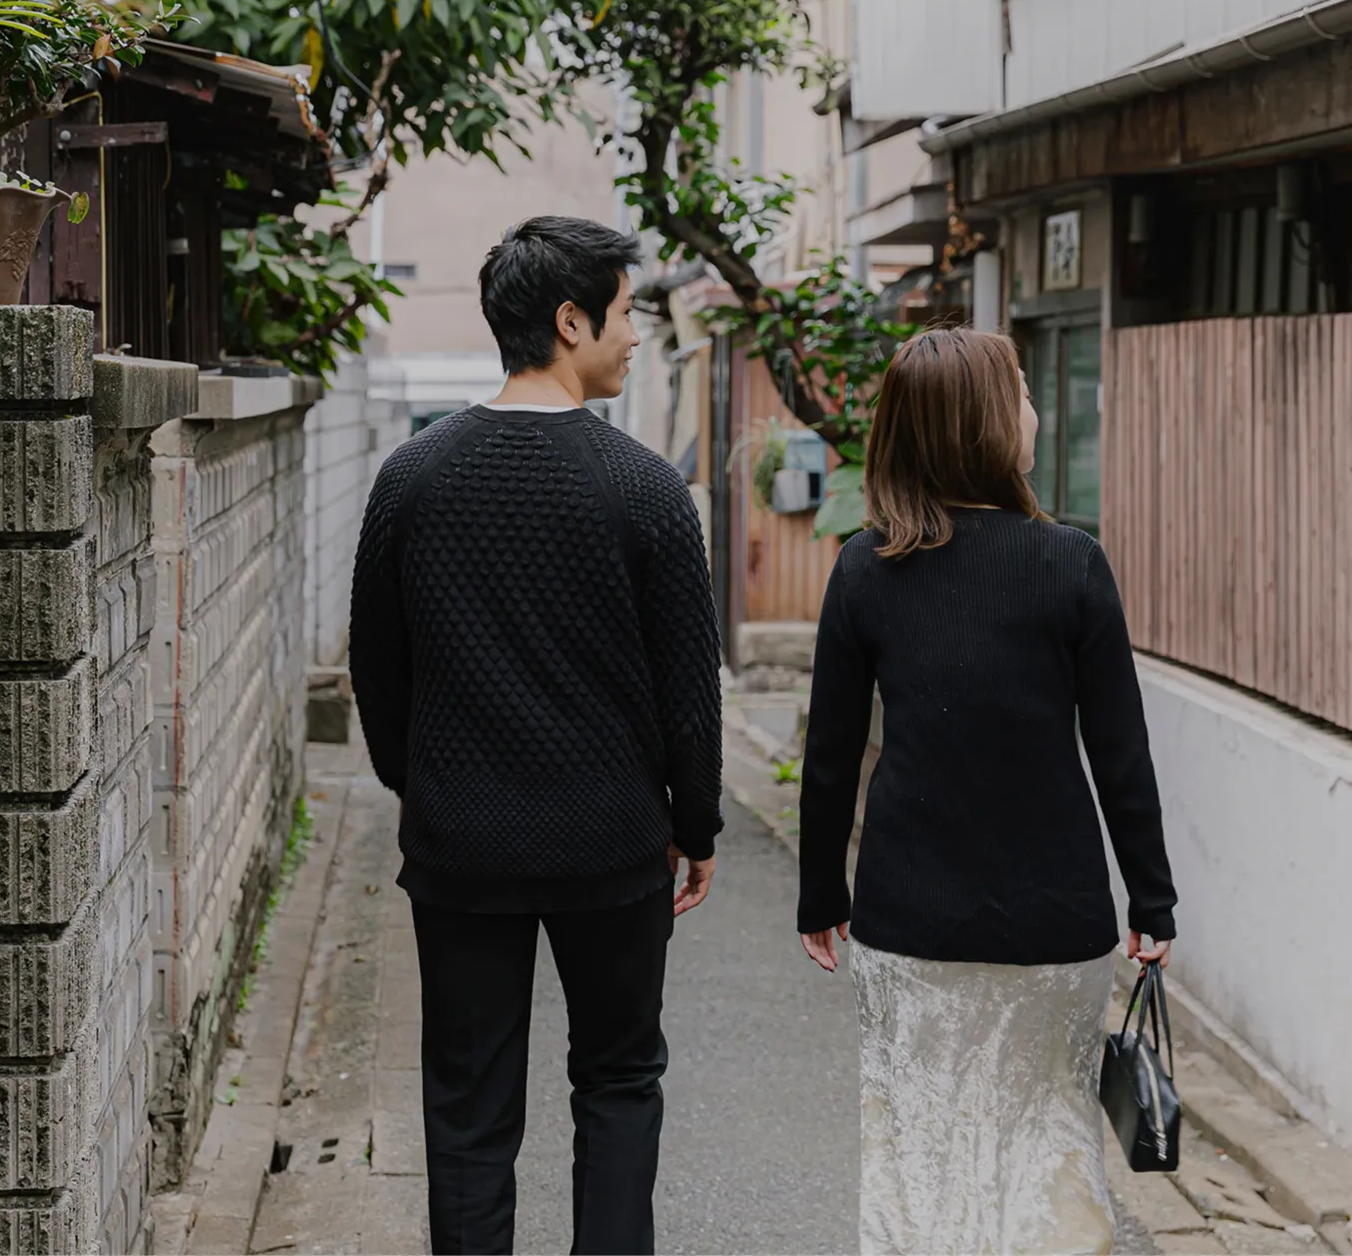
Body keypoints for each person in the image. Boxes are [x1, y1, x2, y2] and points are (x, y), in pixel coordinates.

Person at [349, 216, 723, 1255]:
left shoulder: (413, 479)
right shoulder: (646, 491)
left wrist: (422, 788)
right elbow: (690, 694)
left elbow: (378, 672)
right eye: (625, 310)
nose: (638, 333)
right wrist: (695, 823)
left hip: (461, 845)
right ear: (571, 320)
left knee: (468, 1112)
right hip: (613, 848)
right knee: (616, 1082)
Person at [796, 326, 1180, 1256]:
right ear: (985, 424)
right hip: (1057, 921)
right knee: (1045, 1141)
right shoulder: (1071, 564)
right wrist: (1151, 898)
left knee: (913, 1150)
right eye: (1018, 392)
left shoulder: (863, 567)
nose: (1033, 411)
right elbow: (1119, 753)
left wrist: (820, 893)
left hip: (908, 916)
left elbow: (832, 755)